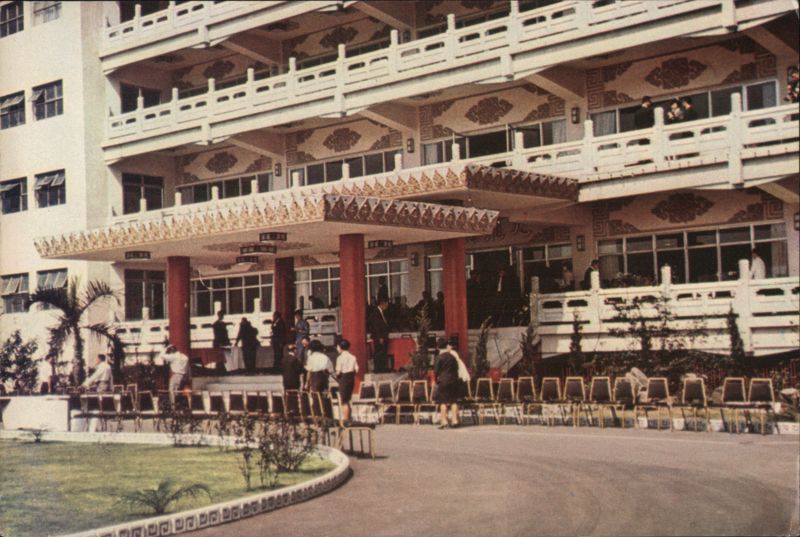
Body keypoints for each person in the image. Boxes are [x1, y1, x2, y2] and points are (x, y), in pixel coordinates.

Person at [433, 337, 460, 429]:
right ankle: (455, 420)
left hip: (443, 381)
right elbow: (457, 369)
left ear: (438, 347)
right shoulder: (452, 357)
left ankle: (444, 421)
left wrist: (435, 381)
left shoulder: (439, 357)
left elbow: (436, 371)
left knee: (443, 402)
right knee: (453, 401)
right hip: (454, 380)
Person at [335, 338, 359, 422]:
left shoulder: (340, 358)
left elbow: (338, 371)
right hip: (351, 378)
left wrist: (336, 375)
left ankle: (345, 420)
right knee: (348, 399)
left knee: (343, 401)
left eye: (337, 347)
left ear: (340, 347)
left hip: (343, 378)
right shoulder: (353, 357)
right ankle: (349, 418)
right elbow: (356, 369)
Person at [367, 298, 391, 372]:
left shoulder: (381, 313)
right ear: (383, 304)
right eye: (387, 305)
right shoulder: (376, 313)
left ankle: (382, 368)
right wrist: (380, 336)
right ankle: (378, 368)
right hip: (379, 337)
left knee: (383, 352)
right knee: (379, 352)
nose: (387, 307)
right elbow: (376, 326)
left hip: (383, 336)